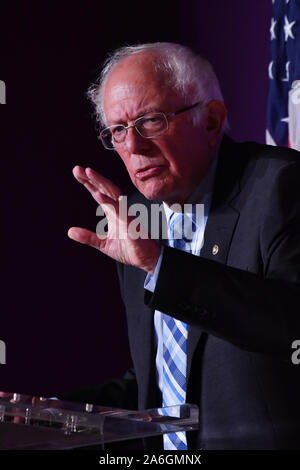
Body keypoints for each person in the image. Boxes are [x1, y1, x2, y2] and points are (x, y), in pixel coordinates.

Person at [66, 42, 300, 450]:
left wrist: (160, 265)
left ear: (210, 121)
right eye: (118, 130)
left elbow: (290, 332)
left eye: (150, 121)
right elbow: (158, 385)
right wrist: (46, 417)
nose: (133, 147)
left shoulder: (283, 188)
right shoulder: (136, 219)